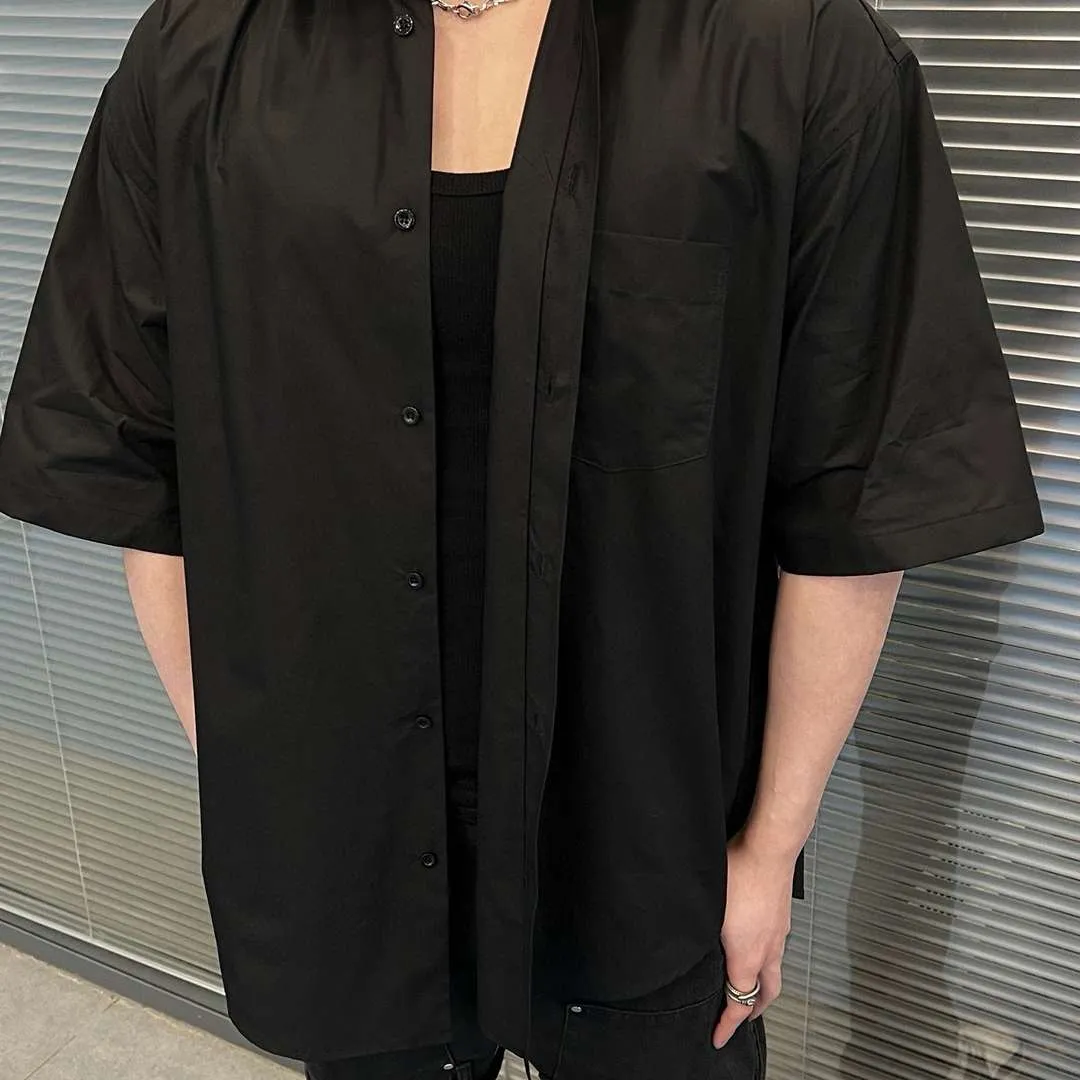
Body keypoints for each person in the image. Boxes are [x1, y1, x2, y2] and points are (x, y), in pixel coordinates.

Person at [0, 0, 1044, 1076]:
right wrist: (253, 777)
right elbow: (146, 464)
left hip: (650, 847)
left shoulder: (788, 46)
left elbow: (859, 493)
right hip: (345, 840)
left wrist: (770, 848)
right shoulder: (207, 48)